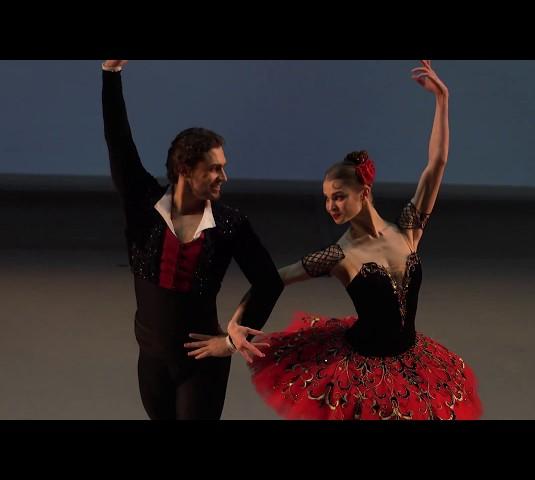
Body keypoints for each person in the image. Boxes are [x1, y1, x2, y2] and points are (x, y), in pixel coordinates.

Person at [186, 60, 482, 420]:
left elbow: (436, 164)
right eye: (327, 199)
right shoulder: (341, 254)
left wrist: (442, 101)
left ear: (365, 192)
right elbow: (273, 278)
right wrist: (233, 331)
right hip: (364, 375)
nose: (331, 206)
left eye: (339, 196)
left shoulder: (408, 230)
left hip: (412, 364)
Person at [102, 60, 283, 419]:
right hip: (151, 362)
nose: (224, 177)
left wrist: (231, 340)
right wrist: (110, 74)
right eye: (214, 169)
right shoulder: (143, 205)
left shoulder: (230, 223)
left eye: (223, 167)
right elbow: (119, 141)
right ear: (185, 169)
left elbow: (269, 282)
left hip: (202, 366)